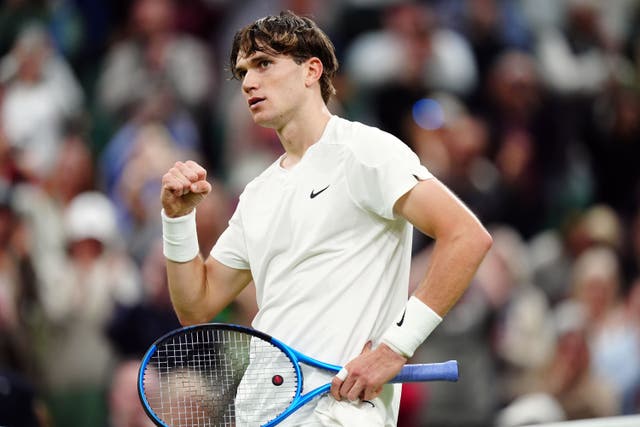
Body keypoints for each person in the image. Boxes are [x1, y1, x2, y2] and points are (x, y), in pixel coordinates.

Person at [160, 10, 492, 426]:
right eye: (242, 71)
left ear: (311, 71)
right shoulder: (258, 193)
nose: (248, 82)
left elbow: (467, 236)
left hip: (340, 415)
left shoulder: (364, 150)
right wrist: (176, 221)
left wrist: (395, 348)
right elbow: (196, 306)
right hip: (261, 411)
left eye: (264, 64)